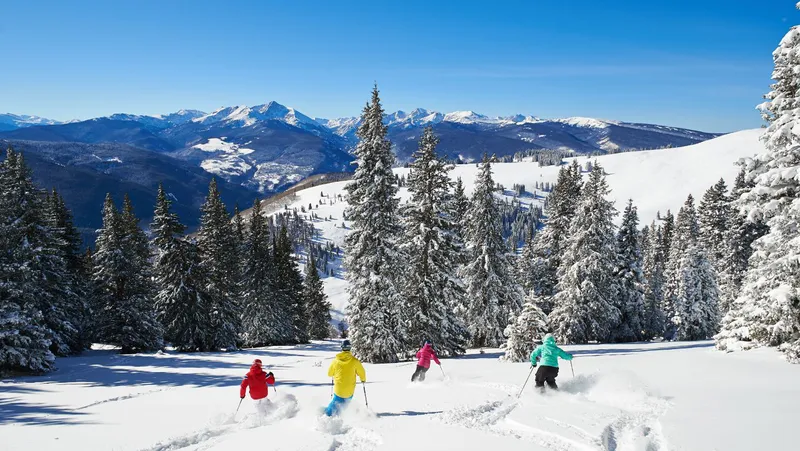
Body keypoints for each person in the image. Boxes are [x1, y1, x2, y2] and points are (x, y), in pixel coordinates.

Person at [325, 340, 366, 416]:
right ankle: (341, 414)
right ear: (350, 348)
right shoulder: (355, 361)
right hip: (350, 390)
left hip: (339, 388)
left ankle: (328, 414)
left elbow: (329, 374)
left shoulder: (335, 361)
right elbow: (362, 372)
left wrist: (335, 372)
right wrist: (363, 379)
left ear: (342, 348)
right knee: (346, 402)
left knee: (336, 401)